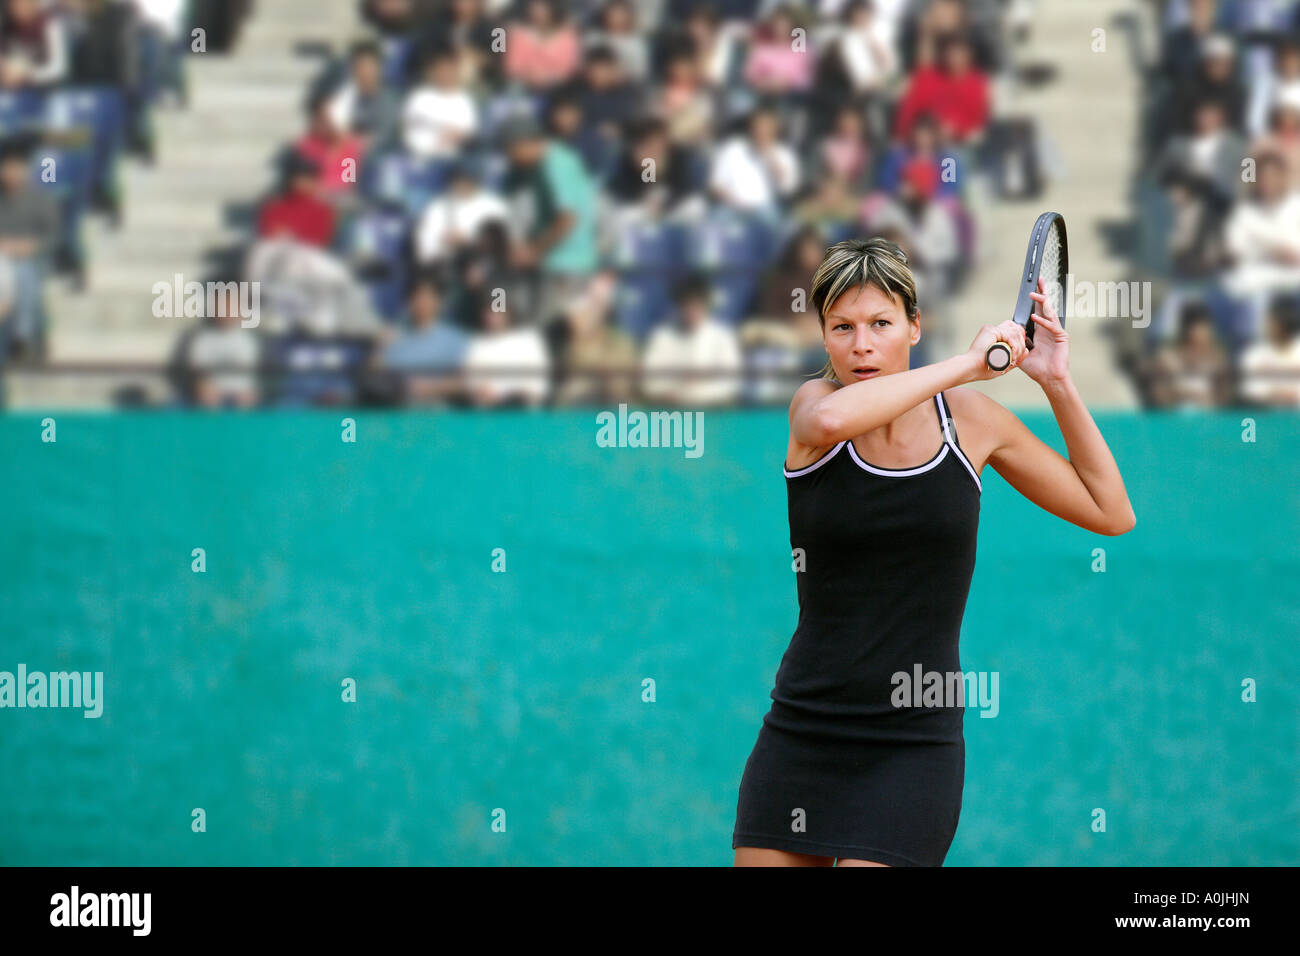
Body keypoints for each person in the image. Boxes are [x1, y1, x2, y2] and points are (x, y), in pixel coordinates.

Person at [733, 237, 1136, 866]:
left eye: (880, 323)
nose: (861, 344)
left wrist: (1057, 381)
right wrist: (968, 364)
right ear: (823, 335)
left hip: (913, 744)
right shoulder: (814, 409)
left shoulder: (974, 424)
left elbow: (1110, 511)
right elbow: (837, 422)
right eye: (841, 326)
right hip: (801, 730)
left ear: (914, 327)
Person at [640, 272, 743, 406]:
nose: (692, 310)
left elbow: (731, 383)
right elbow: (648, 381)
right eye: (687, 304)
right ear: (679, 305)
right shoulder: (662, 336)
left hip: (713, 414)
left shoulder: (723, 337)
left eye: (697, 304)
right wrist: (671, 392)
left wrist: (694, 394)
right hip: (671, 413)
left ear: (707, 304)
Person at [0, 136, 58, 361]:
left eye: (17, 167)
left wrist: (32, 246)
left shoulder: (40, 198)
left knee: (24, 274)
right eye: (7, 167)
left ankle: (23, 336)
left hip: (31, 258)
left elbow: (52, 235)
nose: (12, 173)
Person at [1237, 297, 1300, 406]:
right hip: (1265, 414)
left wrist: (1292, 396)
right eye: (1269, 322)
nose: (1269, 326)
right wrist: (1273, 395)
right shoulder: (1254, 354)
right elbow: (1248, 390)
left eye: (1274, 323)